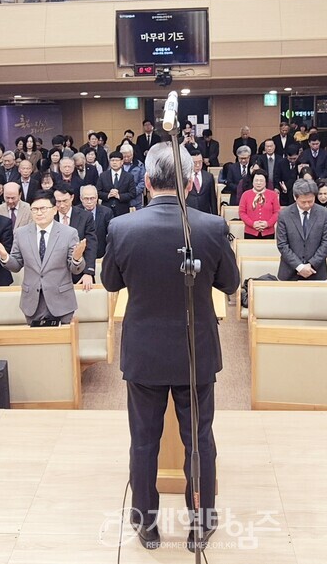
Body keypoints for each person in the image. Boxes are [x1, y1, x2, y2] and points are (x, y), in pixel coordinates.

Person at [100, 143, 238, 551]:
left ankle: (146, 523)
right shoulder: (211, 226)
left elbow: (110, 283)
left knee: (144, 441)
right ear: (192, 181)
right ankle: (201, 523)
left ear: (145, 182)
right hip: (195, 352)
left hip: (144, 353)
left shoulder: (122, 228)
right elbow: (230, 285)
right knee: (200, 440)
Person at [0, 189, 86, 323]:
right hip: (32, 301)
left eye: (43, 208)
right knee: (36, 342)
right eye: (34, 209)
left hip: (61, 300)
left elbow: (76, 269)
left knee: (62, 341)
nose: (39, 213)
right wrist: (5, 256)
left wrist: (77, 258)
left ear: (54, 210)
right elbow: (16, 265)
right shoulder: (21, 233)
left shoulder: (69, 233)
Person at [276, 179, 327, 281]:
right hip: (289, 273)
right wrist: (300, 266)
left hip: (317, 271)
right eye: (303, 202)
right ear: (295, 197)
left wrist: (311, 264)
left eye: (310, 201)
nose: (307, 205)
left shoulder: (324, 213)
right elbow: (282, 244)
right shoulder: (284, 214)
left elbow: (326, 243)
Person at [52, 184, 96, 290]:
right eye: (58, 201)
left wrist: (88, 272)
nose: (62, 205)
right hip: (55, 274)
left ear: (72, 198)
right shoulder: (50, 217)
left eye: (65, 201)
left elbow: (91, 244)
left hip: (80, 272)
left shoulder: (85, 217)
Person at [239, 170, 280, 239]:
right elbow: (242, 212)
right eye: (256, 180)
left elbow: (277, 212)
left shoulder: (273, 195)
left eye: (261, 181)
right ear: (252, 182)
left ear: (265, 182)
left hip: (268, 232)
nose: (258, 183)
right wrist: (253, 224)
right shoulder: (245, 195)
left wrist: (267, 224)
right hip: (250, 232)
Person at [186, 151, 218, 215]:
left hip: (205, 213)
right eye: (195, 163)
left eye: (200, 162)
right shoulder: (184, 176)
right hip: (189, 213)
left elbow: (212, 199)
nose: (198, 165)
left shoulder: (208, 176)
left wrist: (215, 215)